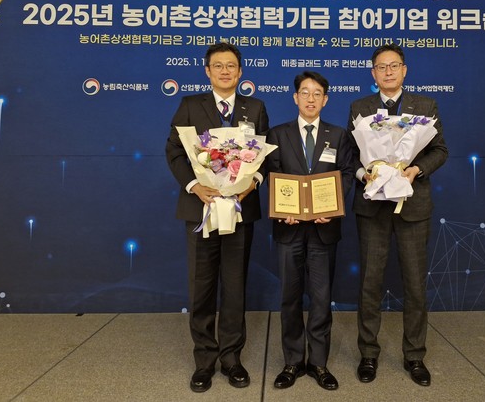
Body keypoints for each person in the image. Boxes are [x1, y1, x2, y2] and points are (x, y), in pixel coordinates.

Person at [165, 42, 269, 393]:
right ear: (207, 71)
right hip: (201, 208)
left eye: (231, 66)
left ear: (240, 72)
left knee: (235, 286)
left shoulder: (255, 108)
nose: (225, 71)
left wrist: (252, 183)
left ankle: (231, 358)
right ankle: (204, 360)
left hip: (240, 209)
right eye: (218, 66)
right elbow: (174, 151)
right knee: (202, 287)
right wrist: (195, 185)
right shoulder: (190, 105)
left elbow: (265, 157)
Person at [347, 44, 448, 387]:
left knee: (415, 284)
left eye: (394, 66)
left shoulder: (426, 106)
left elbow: (440, 150)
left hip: (412, 206)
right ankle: (368, 353)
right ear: (373, 73)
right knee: (370, 283)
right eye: (381, 67)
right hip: (373, 207)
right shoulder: (359, 108)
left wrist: (416, 169)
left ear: (404, 70)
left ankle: (415, 355)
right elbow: (351, 155)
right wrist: (365, 174)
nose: (388, 72)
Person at [266, 71, 353, 391]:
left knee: (321, 298)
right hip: (288, 230)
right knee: (289, 298)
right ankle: (292, 361)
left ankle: (318, 362)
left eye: (317, 93)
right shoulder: (278, 134)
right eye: (305, 92)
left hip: (323, 230)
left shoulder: (339, 135)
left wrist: (332, 205)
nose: (311, 98)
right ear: (295, 97)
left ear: (325, 100)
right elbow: (272, 173)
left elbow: (346, 174)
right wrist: (282, 210)